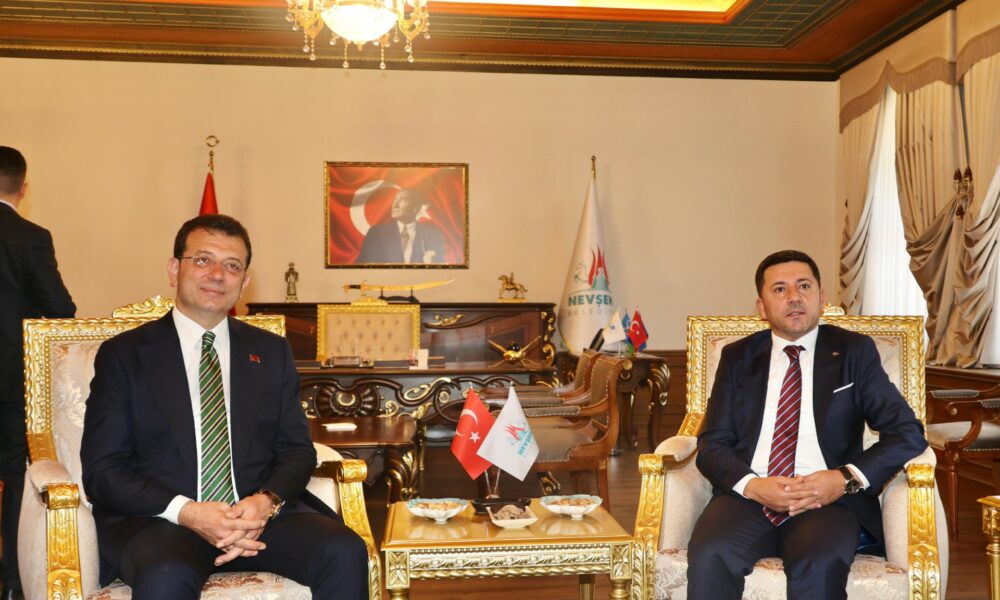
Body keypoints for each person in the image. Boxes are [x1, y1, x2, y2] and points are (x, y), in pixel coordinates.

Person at [80, 214, 367, 600]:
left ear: (244, 282)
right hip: (164, 521)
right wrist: (188, 511)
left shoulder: (270, 352)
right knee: (166, 576)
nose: (217, 274)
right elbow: (103, 471)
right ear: (174, 269)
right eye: (203, 260)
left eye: (232, 266)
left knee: (344, 551)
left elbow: (297, 450)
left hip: (257, 518)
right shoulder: (125, 355)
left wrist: (265, 502)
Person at [687, 249, 927, 600]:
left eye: (804, 286)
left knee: (820, 564)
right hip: (749, 496)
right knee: (711, 555)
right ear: (762, 307)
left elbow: (907, 432)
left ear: (821, 297)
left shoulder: (853, 351)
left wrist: (843, 479)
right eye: (779, 289)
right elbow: (712, 444)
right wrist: (753, 485)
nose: (794, 297)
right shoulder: (738, 357)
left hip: (826, 501)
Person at [0, 146, 75, 600]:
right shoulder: (31, 237)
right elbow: (61, 309)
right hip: (12, 378)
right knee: (14, 475)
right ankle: (11, 583)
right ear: (23, 189)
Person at [356, 188, 445, 264]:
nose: (395, 205)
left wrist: (431, 263)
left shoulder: (432, 235)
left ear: (416, 208)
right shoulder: (376, 233)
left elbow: (439, 266)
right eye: (395, 200)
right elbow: (362, 265)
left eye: (403, 200)